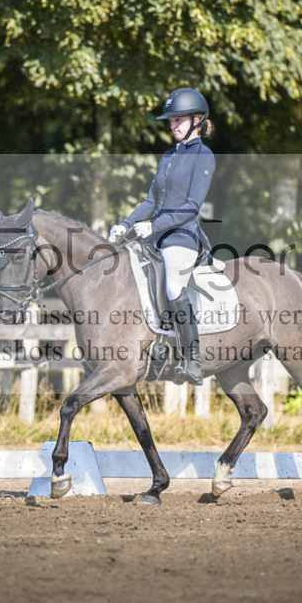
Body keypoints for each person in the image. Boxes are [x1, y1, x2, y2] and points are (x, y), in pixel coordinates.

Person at [108, 87, 215, 384]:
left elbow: (191, 207)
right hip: (153, 238)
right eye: (171, 122)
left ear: (196, 119)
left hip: (182, 237)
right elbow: (151, 201)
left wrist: (154, 226)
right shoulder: (169, 156)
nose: (173, 126)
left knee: (172, 288)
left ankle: (192, 360)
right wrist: (126, 224)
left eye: (178, 120)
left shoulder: (203, 156)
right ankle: (153, 347)